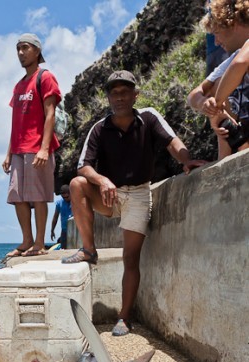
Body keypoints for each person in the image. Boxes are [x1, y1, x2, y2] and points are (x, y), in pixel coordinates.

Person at [62, 71, 206, 336]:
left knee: (131, 257)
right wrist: (102, 180)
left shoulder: (148, 117)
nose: (120, 97)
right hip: (110, 195)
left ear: (135, 95)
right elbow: (83, 166)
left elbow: (171, 142)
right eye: (114, 93)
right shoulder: (99, 128)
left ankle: (124, 317)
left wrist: (186, 160)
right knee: (76, 184)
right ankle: (89, 250)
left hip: (139, 193)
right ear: (108, 98)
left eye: (125, 91)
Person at [2, 33, 62, 258]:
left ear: (37, 51)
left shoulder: (45, 77)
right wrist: (8, 153)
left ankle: (39, 242)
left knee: (37, 196)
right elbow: (15, 122)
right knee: (17, 196)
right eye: (18, 49)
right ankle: (26, 240)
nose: (20, 53)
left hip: (37, 146)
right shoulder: (18, 86)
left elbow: (50, 113)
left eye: (25, 48)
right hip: (18, 150)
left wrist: (45, 148)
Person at [187, 0, 249, 158]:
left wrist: (217, 103)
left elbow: (240, 64)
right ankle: (225, 160)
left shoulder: (239, 58)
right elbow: (194, 95)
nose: (215, 42)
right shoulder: (231, 59)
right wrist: (208, 106)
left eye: (216, 33)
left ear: (231, 23)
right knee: (216, 89)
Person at [50, 184, 73, 249]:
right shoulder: (59, 203)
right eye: (63, 197)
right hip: (64, 230)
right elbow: (55, 218)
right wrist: (52, 230)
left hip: (75, 229)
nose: (65, 199)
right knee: (64, 248)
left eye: (67, 197)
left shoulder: (76, 201)